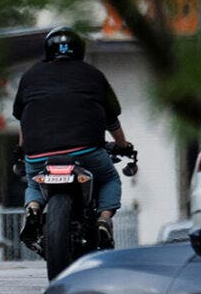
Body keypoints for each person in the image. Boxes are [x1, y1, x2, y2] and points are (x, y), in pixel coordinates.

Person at [12, 27, 132, 250]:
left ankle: (33, 209)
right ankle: (104, 220)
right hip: (86, 151)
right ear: (80, 50)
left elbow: (23, 119)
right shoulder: (93, 75)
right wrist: (123, 146)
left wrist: (21, 151)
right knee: (109, 179)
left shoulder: (30, 76)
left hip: (38, 153)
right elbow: (111, 119)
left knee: (33, 183)